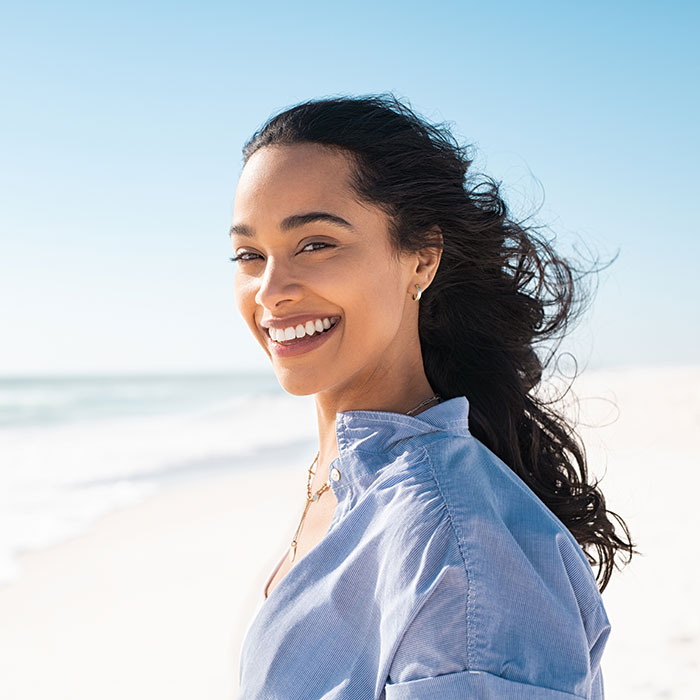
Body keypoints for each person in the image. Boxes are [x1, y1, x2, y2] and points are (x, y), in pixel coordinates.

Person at [229, 93, 634, 699]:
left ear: (421, 259)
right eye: (249, 255)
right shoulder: (347, 477)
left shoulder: (459, 546)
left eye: (316, 244)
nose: (270, 290)